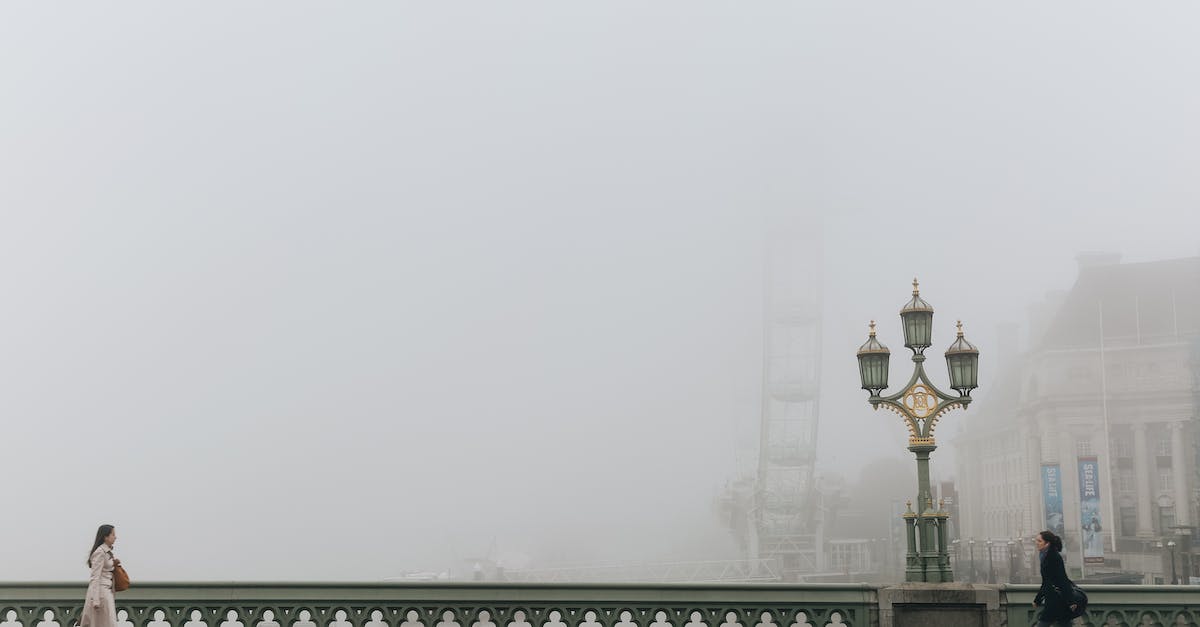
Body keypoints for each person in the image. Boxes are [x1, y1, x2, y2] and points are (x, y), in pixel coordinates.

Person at [1032, 530, 1078, 627]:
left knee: (1043, 623)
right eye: (1036, 540)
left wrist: (1071, 600)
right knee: (1065, 623)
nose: (1036, 543)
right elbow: (1047, 581)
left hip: (1056, 599)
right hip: (1055, 598)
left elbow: (1062, 579)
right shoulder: (1045, 555)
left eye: (1039, 541)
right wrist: (1038, 599)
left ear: (1047, 543)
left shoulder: (1053, 557)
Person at [81, 525, 120, 627]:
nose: (115, 537)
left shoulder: (107, 552)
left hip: (106, 592)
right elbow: (95, 577)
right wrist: (96, 600)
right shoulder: (100, 552)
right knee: (108, 623)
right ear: (105, 537)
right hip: (101, 594)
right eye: (113, 534)